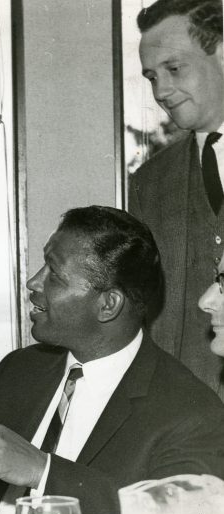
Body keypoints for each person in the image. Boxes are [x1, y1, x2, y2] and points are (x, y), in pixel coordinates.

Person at [0, 206, 224, 514]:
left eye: (55, 276)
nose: (33, 282)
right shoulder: (22, 371)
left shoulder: (190, 412)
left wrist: (41, 471)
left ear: (108, 305)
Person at [129, 0, 224, 401]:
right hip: (183, 425)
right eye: (152, 77)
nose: (161, 91)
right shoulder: (146, 184)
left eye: (174, 68)